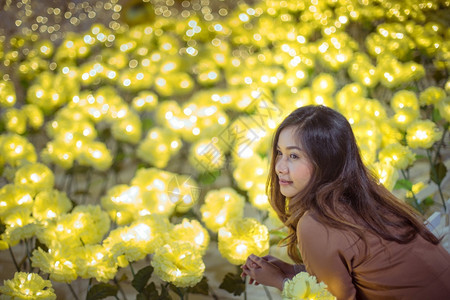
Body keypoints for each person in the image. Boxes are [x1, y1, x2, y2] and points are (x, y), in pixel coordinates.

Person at [241, 105, 450, 299]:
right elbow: (362, 268)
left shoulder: (315, 223)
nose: (279, 167)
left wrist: (279, 281)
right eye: (279, 153)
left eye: (294, 156)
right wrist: (293, 271)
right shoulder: (366, 191)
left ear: (325, 161)